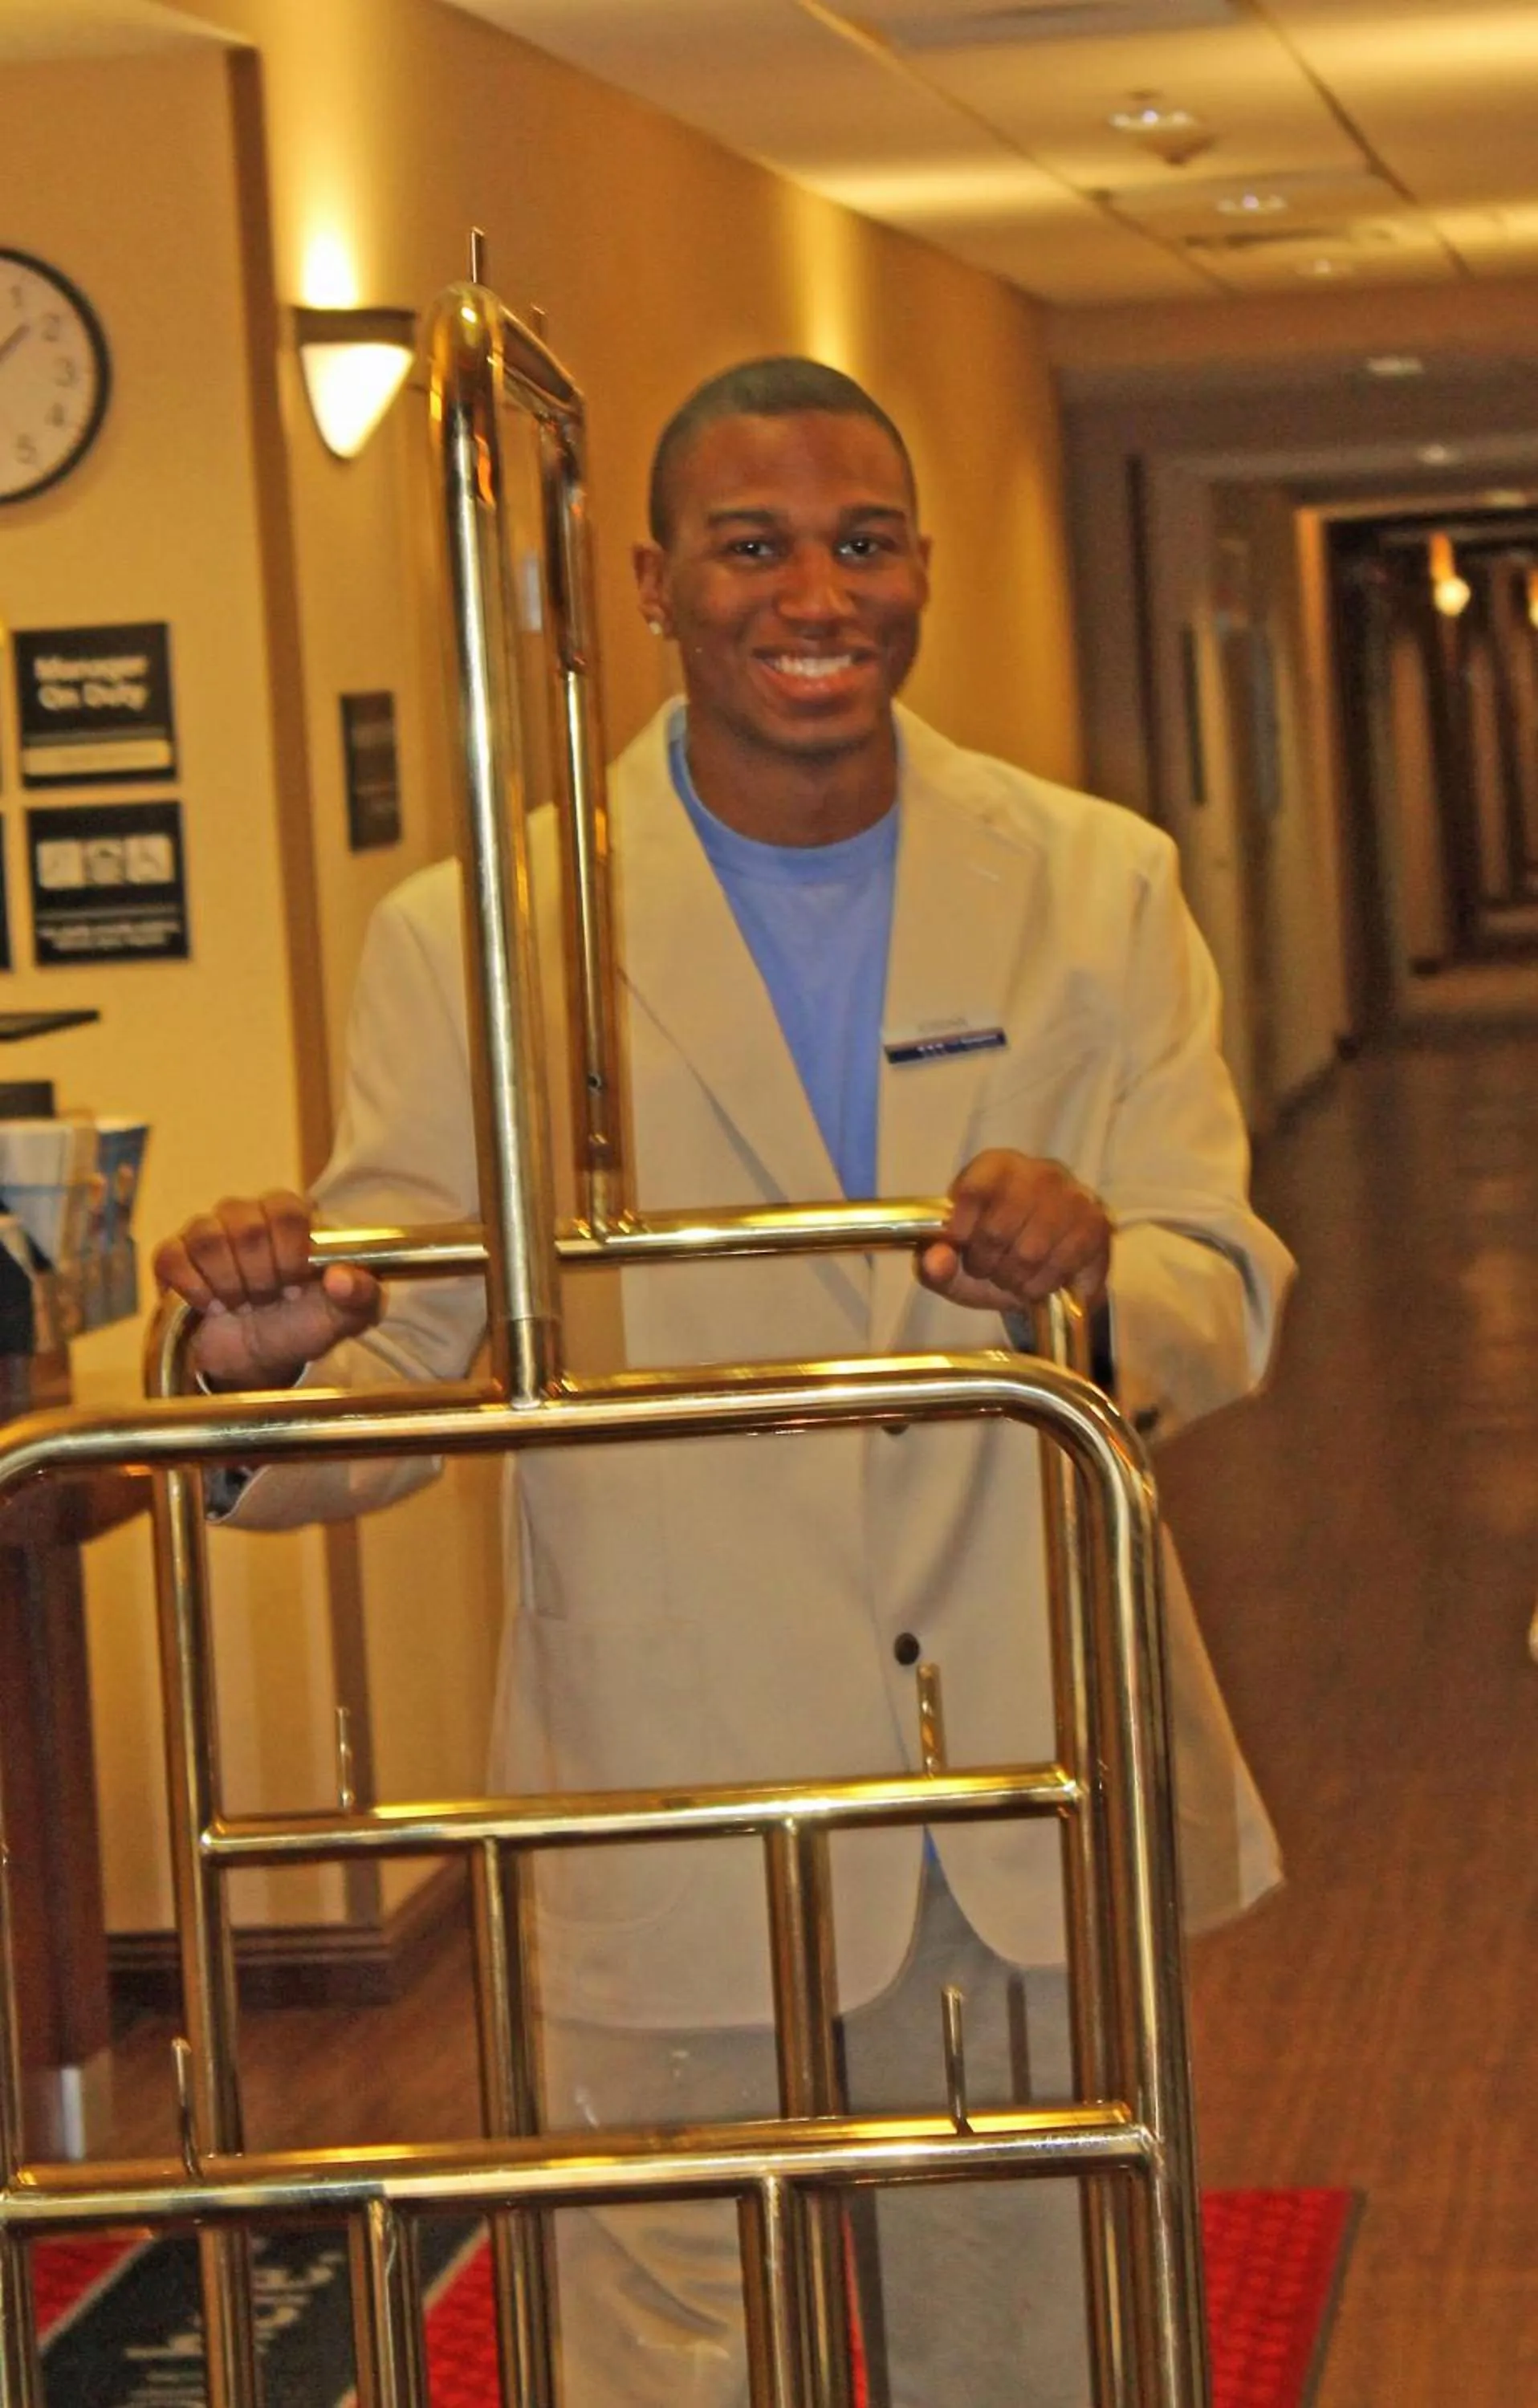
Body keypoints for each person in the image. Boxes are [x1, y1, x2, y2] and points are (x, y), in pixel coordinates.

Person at [155, 358, 1295, 2407]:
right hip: (659, 1789)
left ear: (920, 569)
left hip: (1007, 1781)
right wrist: (261, 1359)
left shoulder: (1090, 880)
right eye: (753, 545)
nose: (815, 591)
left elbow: (1218, 1276)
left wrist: (1099, 1267)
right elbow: (416, 1338)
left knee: (1044, 2351)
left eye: (862, 542)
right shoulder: (481, 931)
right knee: (665, 2360)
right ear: (653, 582)